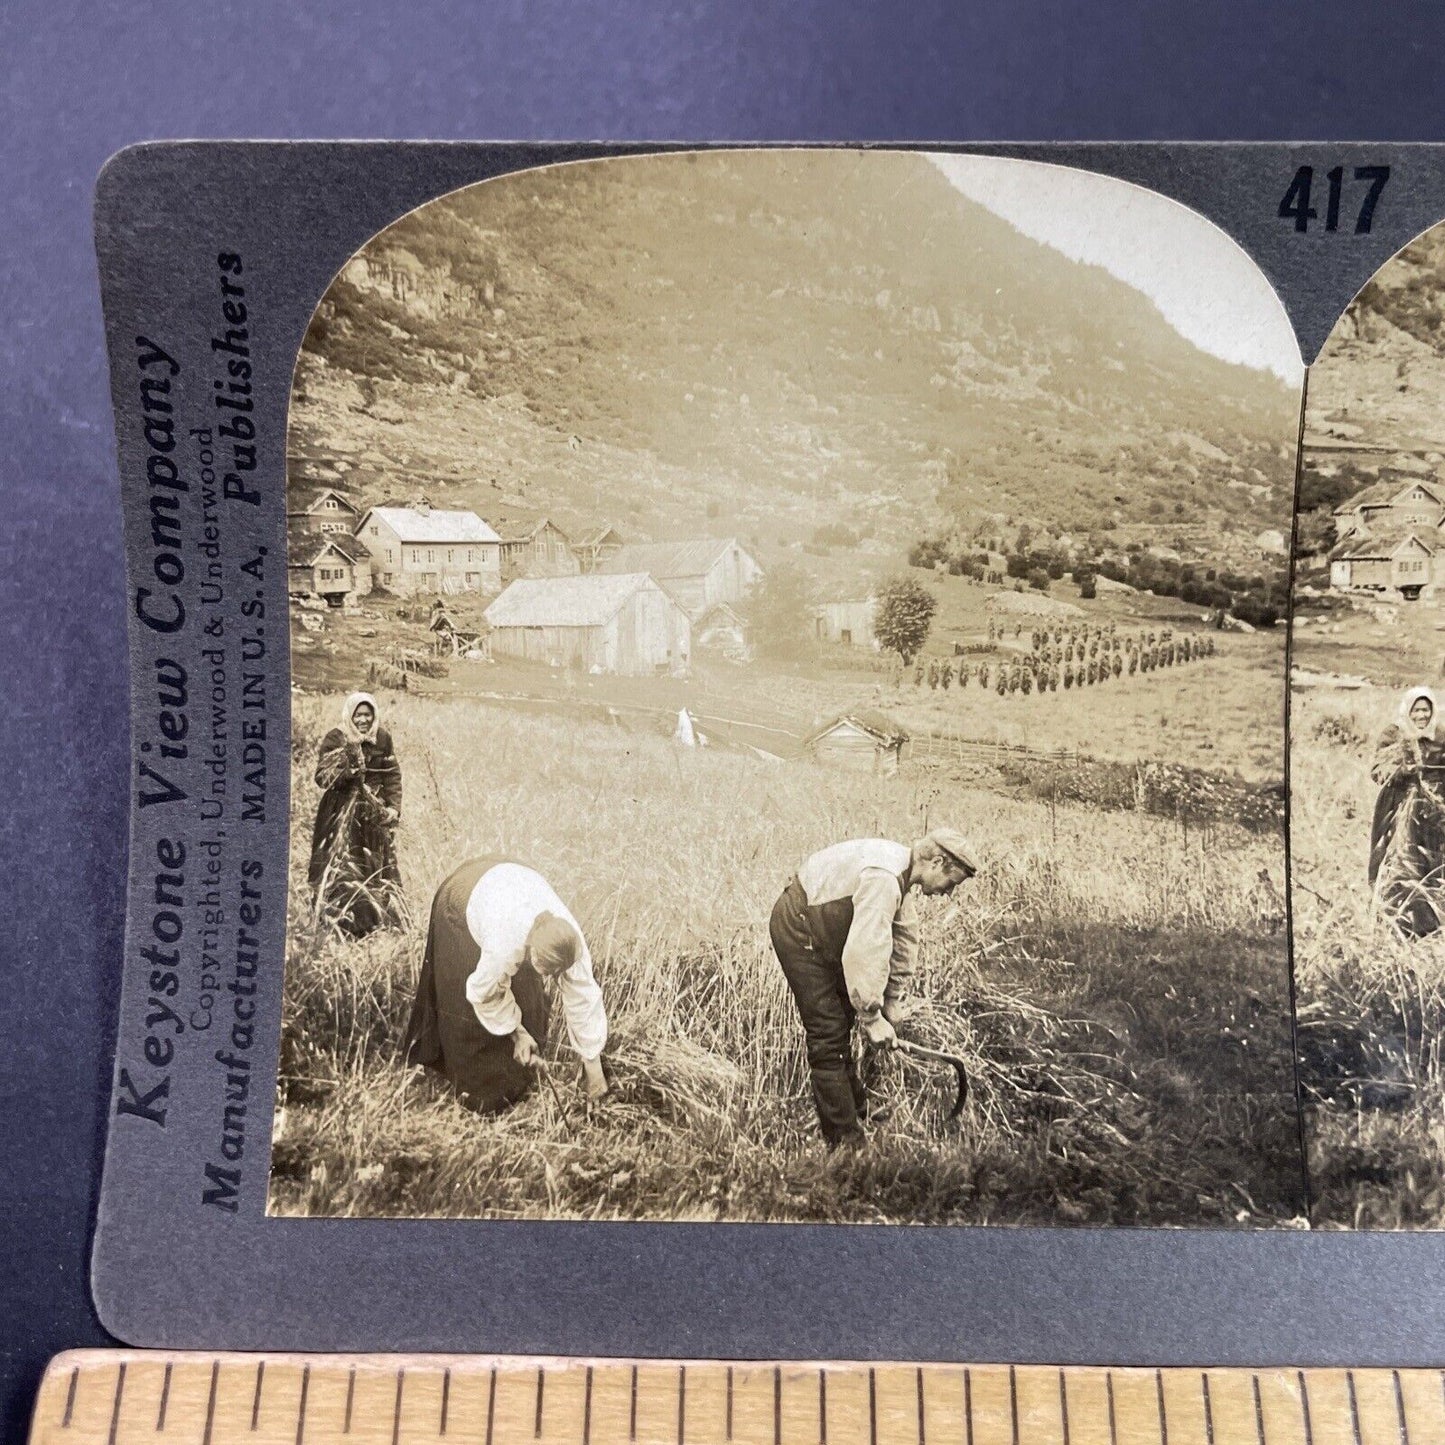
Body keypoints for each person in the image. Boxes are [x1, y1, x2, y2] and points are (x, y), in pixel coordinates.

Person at [769, 830, 978, 1148]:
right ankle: (847, 1146)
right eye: (952, 884)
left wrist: (891, 998)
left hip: (825, 926)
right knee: (828, 1033)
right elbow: (866, 948)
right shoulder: (883, 878)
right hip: (799, 929)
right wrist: (871, 1016)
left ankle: (858, 1113)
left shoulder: (901, 870)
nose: (948, 893)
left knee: (841, 1024)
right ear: (937, 862)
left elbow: (905, 935)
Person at [403, 858, 609, 1114]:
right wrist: (517, 1032)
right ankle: (476, 1092)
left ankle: (517, 1076)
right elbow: (482, 993)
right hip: (464, 896)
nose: (554, 978)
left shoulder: (569, 940)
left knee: (528, 998)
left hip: (512, 878)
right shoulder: (504, 945)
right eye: (547, 971)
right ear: (531, 949)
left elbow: (583, 999)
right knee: (466, 1014)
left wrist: (594, 1069)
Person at [307, 691, 403, 938]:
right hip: (340, 813)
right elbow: (322, 778)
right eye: (358, 715)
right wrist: (348, 772)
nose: (363, 720)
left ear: (374, 716)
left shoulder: (382, 738)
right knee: (341, 864)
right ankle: (339, 923)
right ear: (350, 715)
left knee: (376, 865)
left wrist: (392, 807)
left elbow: (392, 775)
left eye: (367, 715)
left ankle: (376, 923)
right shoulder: (335, 739)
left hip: (373, 815)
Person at [1369, 685, 1445, 938]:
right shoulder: (1394, 734)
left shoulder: (1441, 735)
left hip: (1433, 811)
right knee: (1399, 859)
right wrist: (1401, 772)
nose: (1422, 716)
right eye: (1417, 710)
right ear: (1408, 711)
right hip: (1399, 806)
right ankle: (1396, 921)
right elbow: (1378, 770)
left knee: (1431, 862)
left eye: (1426, 710)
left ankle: (1430, 925)